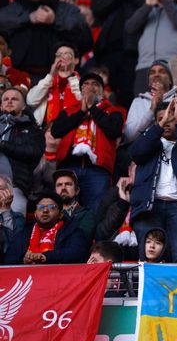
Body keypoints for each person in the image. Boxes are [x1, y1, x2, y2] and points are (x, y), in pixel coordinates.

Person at [129, 94, 177, 262]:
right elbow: (136, 153)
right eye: (162, 119)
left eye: (171, 119)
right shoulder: (149, 142)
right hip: (149, 208)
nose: (167, 122)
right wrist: (159, 126)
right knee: (148, 259)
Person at [0, 0, 92, 83]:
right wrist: (29, 18)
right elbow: (2, 20)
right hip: (21, 74)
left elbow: (79, 27)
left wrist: (54, 20)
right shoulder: (19, 6)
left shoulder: (66, 9)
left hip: (58, 75)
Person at [50, 73, 125, 211]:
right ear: (80, 90)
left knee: (94, 213)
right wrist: (82, 111)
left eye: (95, 84)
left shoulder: (113, 111)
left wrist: (93, 109)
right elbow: (56, 131)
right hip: (69, 167)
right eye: (86, 84)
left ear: (102, 92)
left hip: (97, 170)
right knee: (65, 210)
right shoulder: (69, 110)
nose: (90, 87)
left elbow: (114, 131)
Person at [125, 0, 177, 95]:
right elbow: (130, 27)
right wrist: (148, 5)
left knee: (170, 108)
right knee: (143, 108)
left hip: (172, 67)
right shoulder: (148, 10)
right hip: (145, 67)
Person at [91, 0, 146, 108]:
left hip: (132, 52)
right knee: (106, 91)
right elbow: (98, 10)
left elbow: (144, 5)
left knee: (127, 93)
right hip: (108, 51)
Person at [5, 191, 89, 264]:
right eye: (40, 207)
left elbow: (77, 254)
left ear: (60, 215)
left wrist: (46, 257)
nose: (45, 210)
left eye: (51, 207)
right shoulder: (24, 233)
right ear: (35, 214)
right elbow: (8, 259)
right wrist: (23, 259)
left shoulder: (72, 231)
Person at [123, 60, 177, 143]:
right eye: (152, 72)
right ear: (149, 82)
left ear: (170, 80)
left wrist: (161, 105)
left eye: (162, 71)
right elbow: (129, 135)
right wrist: (151, 110)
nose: (156, 74)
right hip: (145, 152)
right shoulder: (138, 102)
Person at [0, 87, 44, 214]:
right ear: (1, 105)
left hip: (15, 187)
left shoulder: (33, 129)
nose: (9, 101)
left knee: (14, 229)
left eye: (14, 99)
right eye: (6, 99)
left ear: (24, 106)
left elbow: (34, 152)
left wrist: (4, 145)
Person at [25, 42, 80, 125]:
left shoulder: (83, 83)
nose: (62, 57)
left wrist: (71, 75)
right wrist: (50, 75)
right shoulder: (47, 81)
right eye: (59, 54)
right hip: (46, 131)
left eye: (67, 54)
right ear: (54, 60)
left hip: (73, 129)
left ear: (76, 60)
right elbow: (30, 101)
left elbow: (83, 103)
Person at [52, 168, 96, 242]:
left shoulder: (87, 214)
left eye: (68, 184)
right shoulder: (48, 212)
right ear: (55, 192)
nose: (63, 188)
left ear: (77, 191)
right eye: (59, 185)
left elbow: (82, 238)